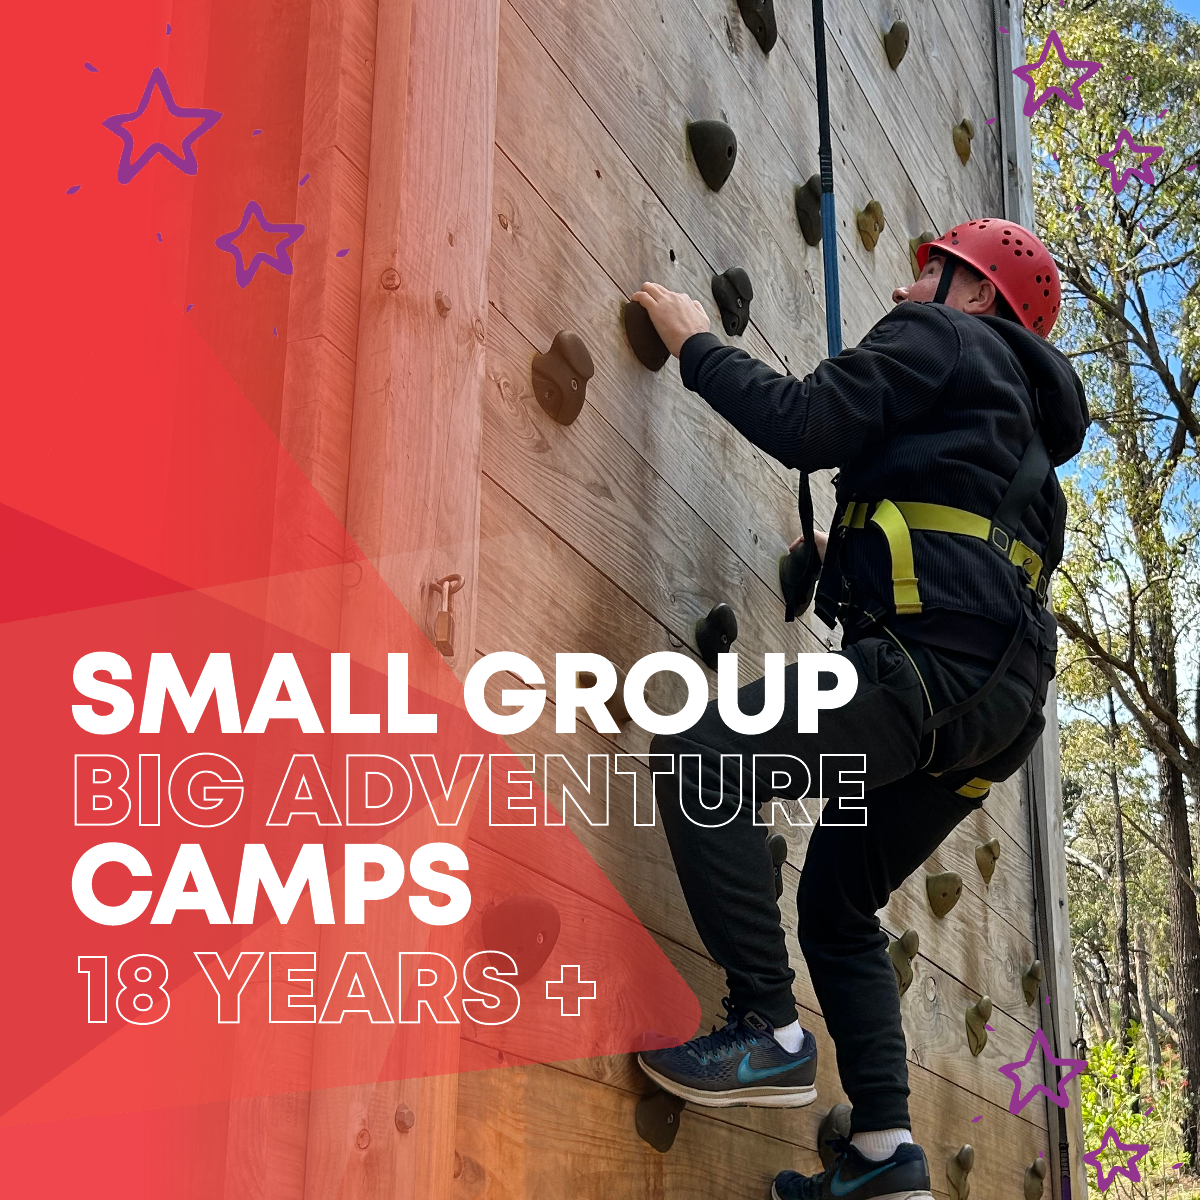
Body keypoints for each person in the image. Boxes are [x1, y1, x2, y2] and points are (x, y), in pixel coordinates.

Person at [629, 219, 1089, 1200]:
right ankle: (886, 1157)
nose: (903, 289)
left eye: (933, 272)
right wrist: (855, 562)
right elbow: (960, 533)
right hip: (995, 716)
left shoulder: (942, 339)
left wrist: (694, 341)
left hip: (926, 664)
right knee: (837, 905)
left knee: (703, 755)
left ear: (976, 295)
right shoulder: (1029, 455)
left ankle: (768, 1029)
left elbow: (802, 423)